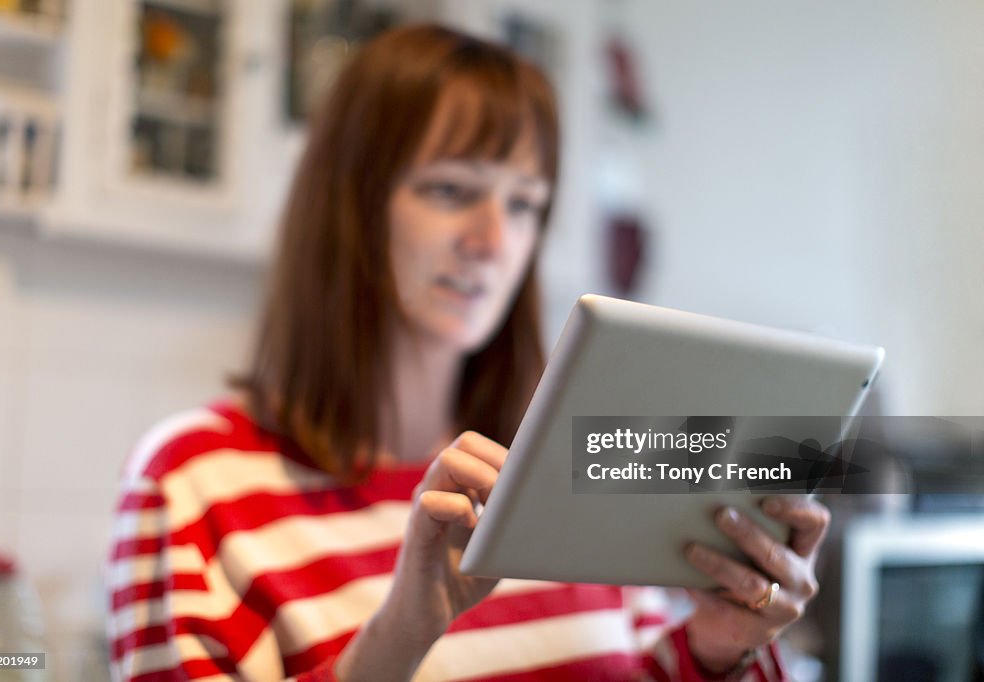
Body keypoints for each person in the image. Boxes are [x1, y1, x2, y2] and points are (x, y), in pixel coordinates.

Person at [106, 24, 828, 682]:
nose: (495, 242)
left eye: (523, 204)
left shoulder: (560, 470)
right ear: (348, 206)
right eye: (452, 190)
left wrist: (718, 647)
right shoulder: (192, 484)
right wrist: (399, 636)